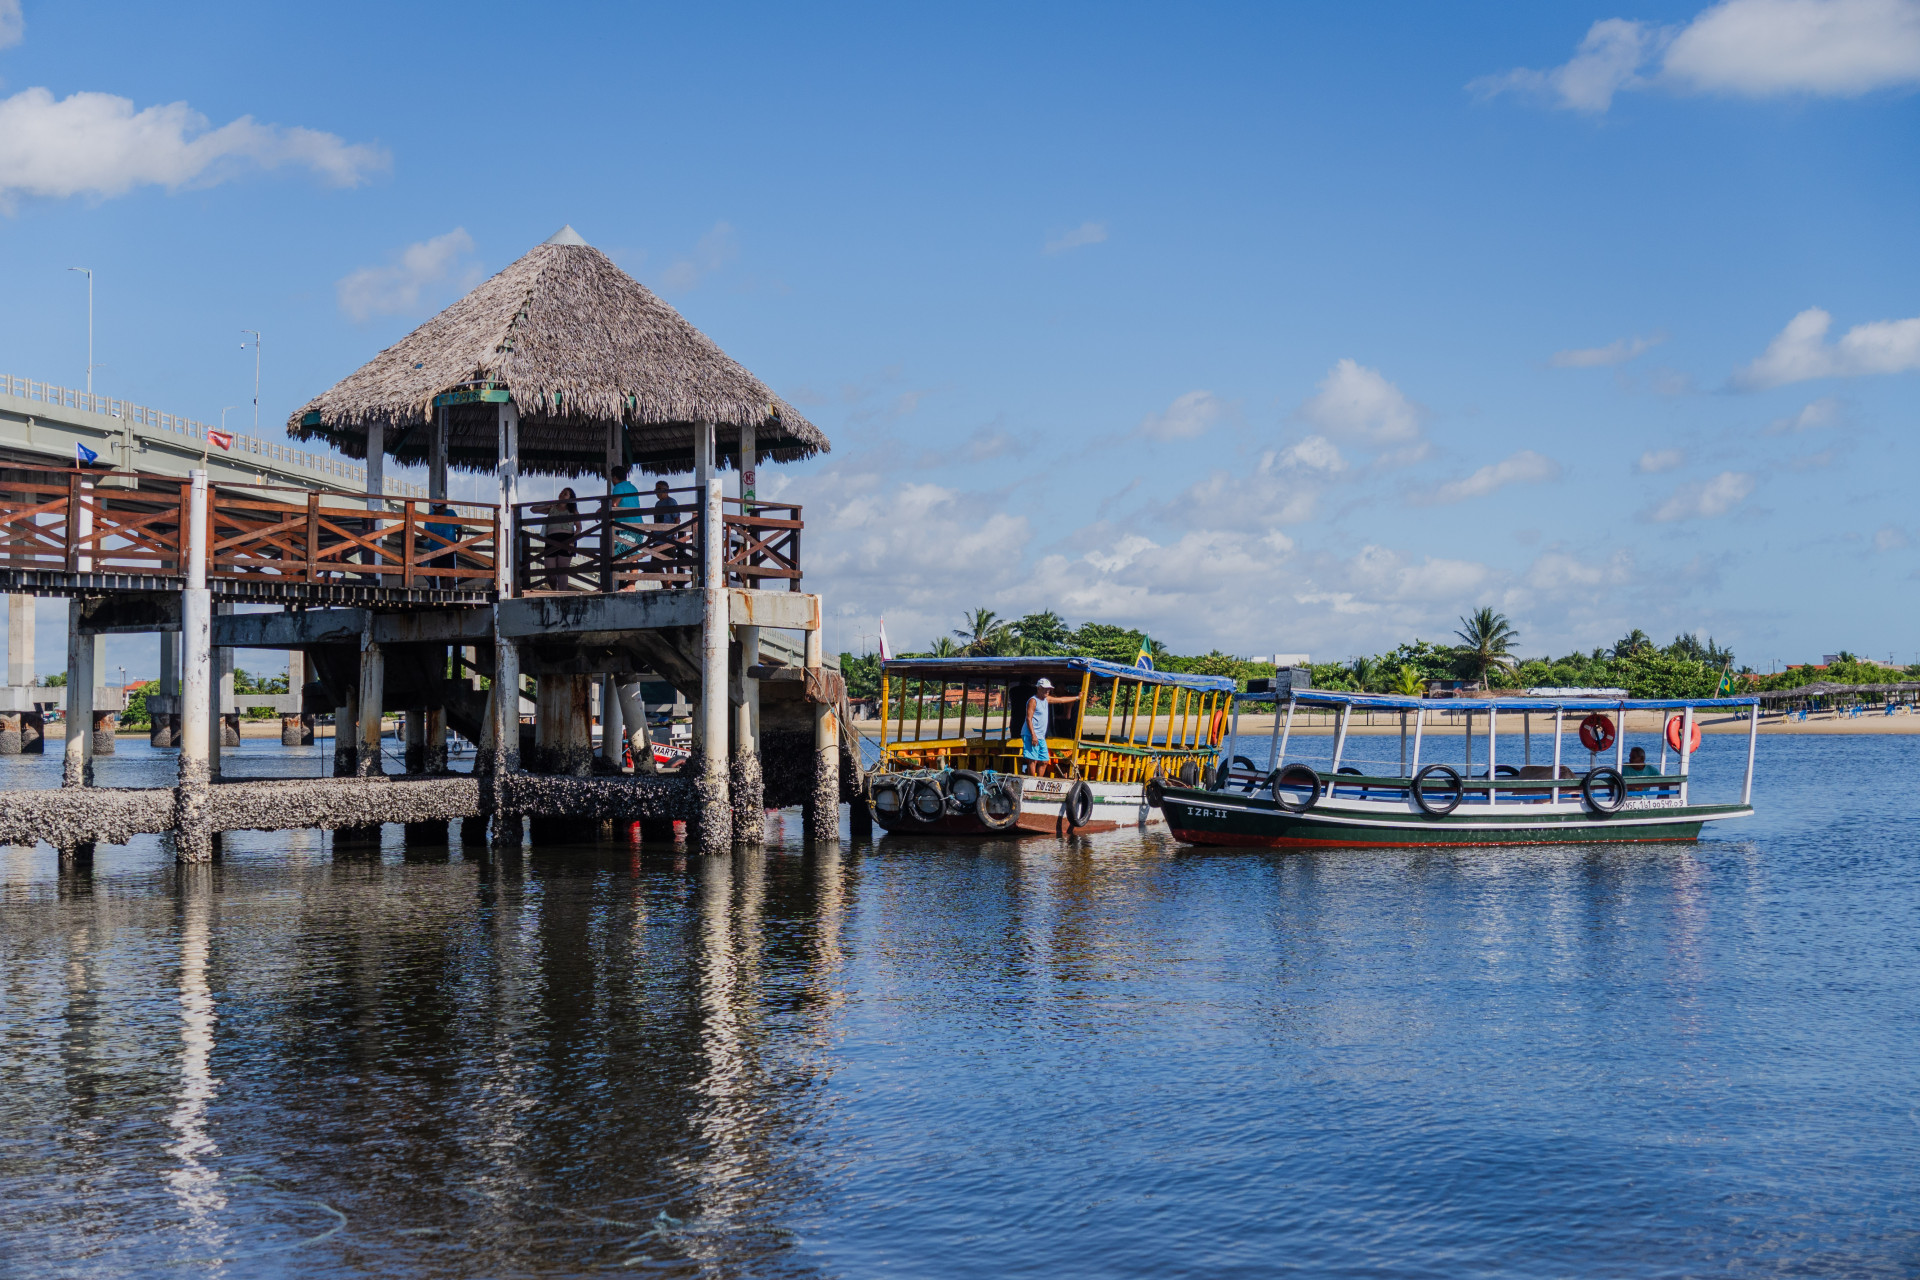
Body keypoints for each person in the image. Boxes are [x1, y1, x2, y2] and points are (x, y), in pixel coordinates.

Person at [1021, 677, 1080, 777]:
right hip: (1031, 734)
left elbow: (1061, 700)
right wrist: (1033, 735)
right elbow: (1028, 719)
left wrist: (1077, 698)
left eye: (1048, 689)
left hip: (1041, 736)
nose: (1047, 690)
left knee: (1044, 760)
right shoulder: (1033, 701)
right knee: (1032, 760)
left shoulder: (1046, 699)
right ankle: (1032, 780)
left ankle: (1038, 780)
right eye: (1045, 688)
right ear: (1039, 688)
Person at [541, 487, 579, 590]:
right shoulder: (552, 508)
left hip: (566, 539)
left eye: (565, 494)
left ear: (570, 498)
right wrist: (548, 505)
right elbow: (533, 509)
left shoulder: (572, 510)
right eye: (561, 493)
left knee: (562, 570)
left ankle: (563, 594)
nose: (562, 495)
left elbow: (579, 527)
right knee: (549, 571)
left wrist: (572, 541)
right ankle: (554, 590)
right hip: (551, 539)